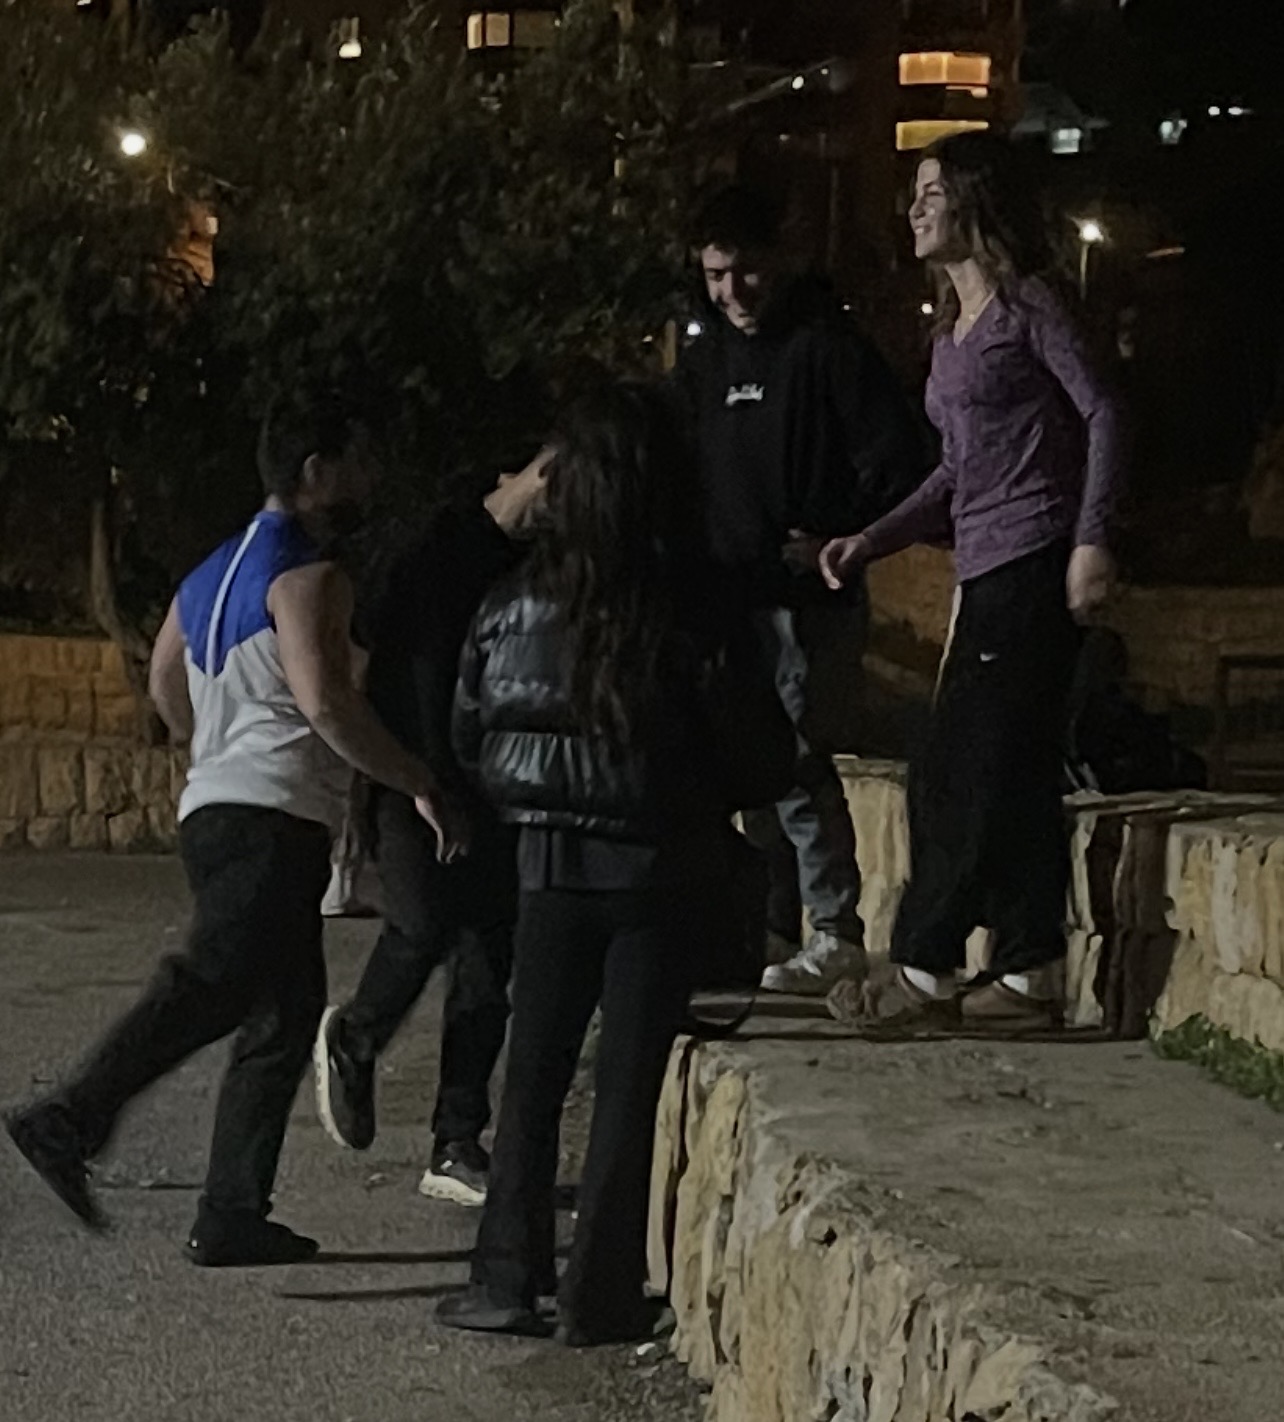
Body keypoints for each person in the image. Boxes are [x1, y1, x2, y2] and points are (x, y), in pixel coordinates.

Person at [4, 394, 464, 1264]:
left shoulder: (208, 574)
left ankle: (231, 1214)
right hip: (272, 818)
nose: (369, 480)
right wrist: (415, 780)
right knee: (212, 979)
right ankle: (68, 1116)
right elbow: (325, 701)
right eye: (357, 463)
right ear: (316, 472)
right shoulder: (310, 577)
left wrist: (214, 746)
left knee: (284, 1017)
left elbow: (164, 680)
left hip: (216, 806)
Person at [437, 384, 794, 1344]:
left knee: (532, 1078)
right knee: (627, 1093)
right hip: (660, 869)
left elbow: (472, 729)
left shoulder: (512, 601)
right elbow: (762, 752)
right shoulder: (694, 605)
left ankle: (504, 1277)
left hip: (546, 867)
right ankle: (599, 1294)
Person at [820, 132, 1125, 1032]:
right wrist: (871, 540)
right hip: (981, 566)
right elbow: (956, 471)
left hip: (1033, 558)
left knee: (955, 772)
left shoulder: (1029, 307)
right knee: (1014, 772)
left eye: (932, 190)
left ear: (975, 201)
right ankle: (1030, 972)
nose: (915, 208)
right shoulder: (952, 333)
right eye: (914, 192)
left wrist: (1091, 539)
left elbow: (1104, 410)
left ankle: (923, 966)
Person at [673, 184, 930, 997]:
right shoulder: (705, 361)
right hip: (728, 601)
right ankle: (769, 924)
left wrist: (841, 539)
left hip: (806, 604)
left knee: (798, 764)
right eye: (716, 276)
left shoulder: (827, 350)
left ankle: (835, 931)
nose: (733, 292)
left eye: (746, 272)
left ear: (778, 262)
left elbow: (902, 463)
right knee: (742, 770)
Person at [312, 448, 551, 1206]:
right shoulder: (440, 549)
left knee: (485, 964)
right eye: (553, 482)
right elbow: (408, 674)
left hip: (494, 784)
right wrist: (424, 781)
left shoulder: (537, 562)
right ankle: (356, 1034)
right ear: (517, 475)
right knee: (420, 924)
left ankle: (456, 1142)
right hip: (416, 772)